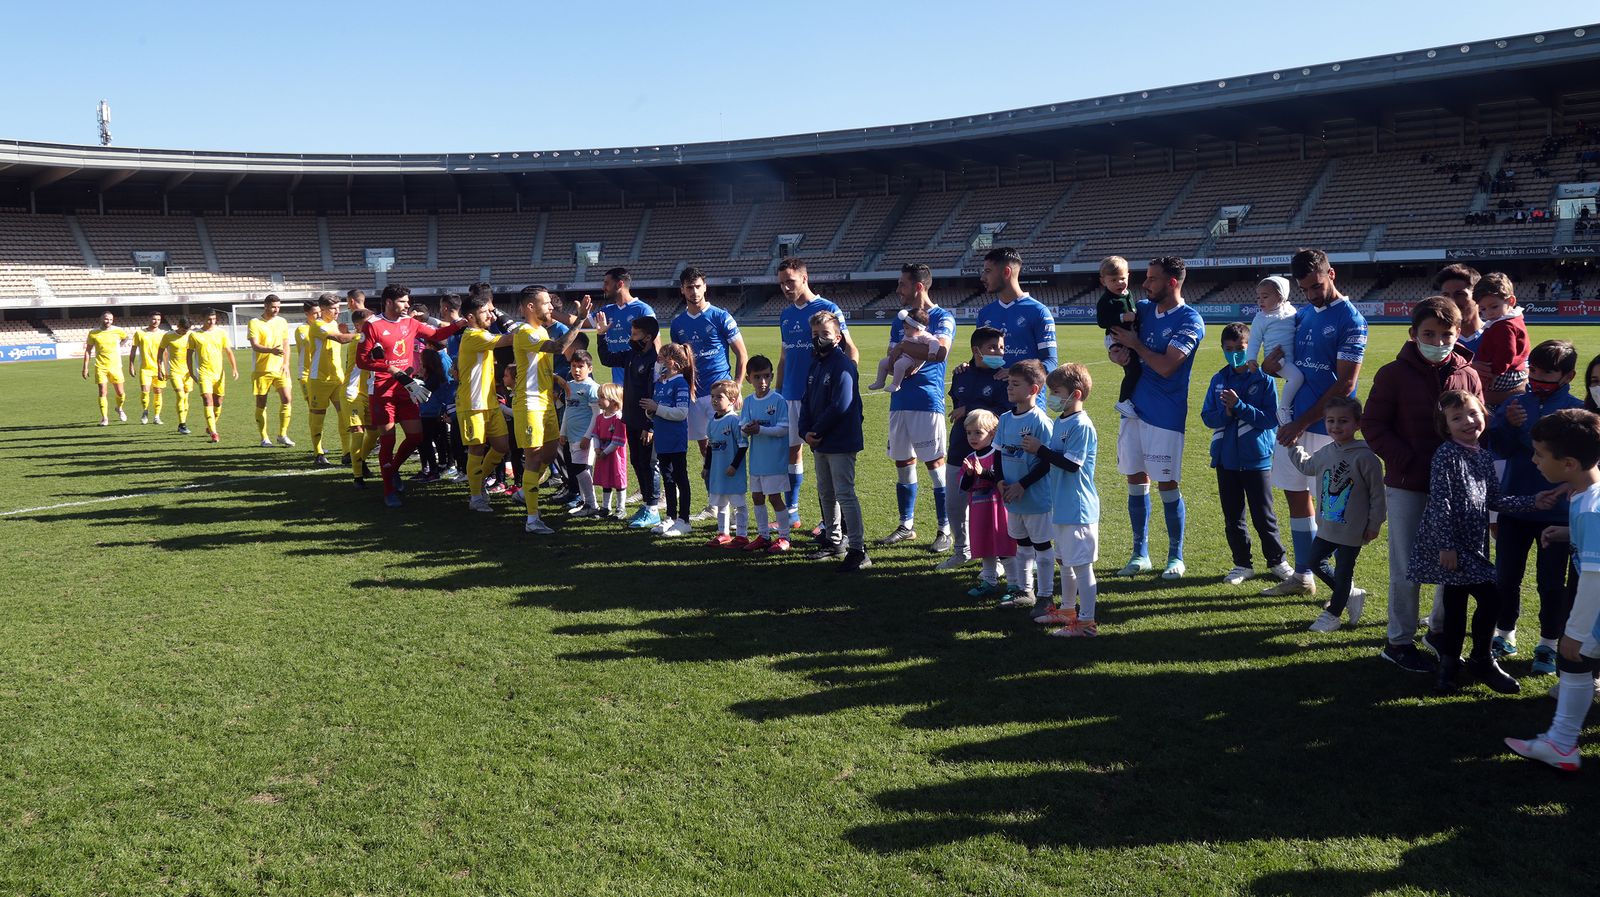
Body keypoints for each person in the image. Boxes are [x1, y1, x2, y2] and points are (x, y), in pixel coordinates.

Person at [1360, 296, 1482, 673]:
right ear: (1413, 334)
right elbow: (1374, 426)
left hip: (1457, 488)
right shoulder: (1393, 374)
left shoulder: (1468, 374)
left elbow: (1478, 423)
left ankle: (1440, 631)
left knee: (1454, 563)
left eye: (1446, 334)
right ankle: (1398, 641)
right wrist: (1407, 460)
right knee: (1407, 565)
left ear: (1457, 333)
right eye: (1429, 334)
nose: (1439, 341)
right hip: (1409, 484)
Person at [1411, 391, 1548, 694]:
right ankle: (1479, 660)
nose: (1467, 421)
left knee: (1456, 604)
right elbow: (1441, 501)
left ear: (1484, 416)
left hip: (1473, 545)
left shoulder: (1483, 455)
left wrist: (1534, 501)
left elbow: (1496, 499)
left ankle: (1449, 668)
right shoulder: (1447, 454)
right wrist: (1447, 546)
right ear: (1446, 426)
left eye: (1473, 413)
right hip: (1453, 546)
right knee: (1491, 598)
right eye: (1457, 418)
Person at [1262, 249, 1367, 597]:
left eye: (1317, 286)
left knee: (1331, 510)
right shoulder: (1304, 315)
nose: (1311, 294)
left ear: (1331, 274)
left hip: (1327, 429)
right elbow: (1291, 368)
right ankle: (1304, 575)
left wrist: (1301, 423)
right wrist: (1269, 366)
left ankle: (1343, 587)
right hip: (1295, 424)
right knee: (1295, 495)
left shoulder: (1351, 320)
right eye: (1305, 289)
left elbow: (1345, 384)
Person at [1505, 409, 1600, 771]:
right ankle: (1561, 744)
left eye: (1540, 454)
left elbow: (1595, 579)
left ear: (1570, 462)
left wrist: (1574, 633)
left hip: (1595, 610)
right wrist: (1568, 534)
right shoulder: (1585, 491)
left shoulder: (1591, 508)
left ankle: (1561, 744)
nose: (1534, 460)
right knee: (1574, 670)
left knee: (1573, 659)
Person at [1107, 256, 1205, 580]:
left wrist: (1135, 344)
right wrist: (1119, 353)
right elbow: (1118, 341)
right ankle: (1140, 553)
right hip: (1133, 408)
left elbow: (1166, 366)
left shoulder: (1190, 321)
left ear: (1172, 282)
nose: (1145, 284)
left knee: (1167, 484)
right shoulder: (1145, 311)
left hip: (1165, 414)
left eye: (1152, 279)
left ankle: (1175, 557)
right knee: (1135, 479)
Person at [1490, 340, 1584, 671]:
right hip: (1515, 507)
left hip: (1557, 516)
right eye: (1533, 369)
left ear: (1568, 375)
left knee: (1550, 583)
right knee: (1506, 578)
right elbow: (1496, 449)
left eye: (1547, 371)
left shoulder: (1576, 411)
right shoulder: (1515, 404)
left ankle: (1547, 644)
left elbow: (1582, 464)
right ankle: (1504, 634)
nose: (1538, 376)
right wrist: (1506, 425)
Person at [355, 284, 471, 507]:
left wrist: (459, 324)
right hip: (382, 390)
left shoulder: (410, 322)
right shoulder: (372, 325)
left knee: (416, 437)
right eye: (403, 302)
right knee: (388, 441)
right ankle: (389, 490)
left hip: (408, 390)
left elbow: (436, 334)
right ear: (389, 302)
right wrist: (390, 369)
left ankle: (393, 471)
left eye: (408, 301)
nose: (408, 305)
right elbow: (363, 360)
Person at [1286, 396, 1386, 632]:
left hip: (1353, 529)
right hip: (1327, 525)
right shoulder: (1327, 451)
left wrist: (1374, 523)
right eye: (1330, 421)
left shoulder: (1366, 457)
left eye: (1343, 421)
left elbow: (1378, 495)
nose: (1336, 426)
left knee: (1343, 571)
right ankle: (1349, 593)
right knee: (1315, 562)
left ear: (1357, 424)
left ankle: (1333, 614)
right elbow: (1307, 466)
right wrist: (1292, 446)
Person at [1200, 322, 1288, 587]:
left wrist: (1239, 406)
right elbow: (1207, 416)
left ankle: (1277, 561)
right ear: (1223, 349)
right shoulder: (1218, 379)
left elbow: (1271, 419)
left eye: (1240, 348)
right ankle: (1242, 564)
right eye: (1229, 349)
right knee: (1233, 517)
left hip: (1256, 460)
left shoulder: (1263, 380)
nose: (1235, 353)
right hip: (1226, 460)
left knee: (1264, 515)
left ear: (1250, 347)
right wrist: (1225, 413)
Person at [775, 257, 859, 531]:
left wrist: (846, 383)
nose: (786, 287)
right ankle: (792, 513)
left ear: (804, 278)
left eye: (791, 281)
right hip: (790, 394)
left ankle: (830, 521)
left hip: (820, 395)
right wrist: (777, 393)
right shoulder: (785, 315)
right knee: (791, 452)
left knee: (825, 455)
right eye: (782, 283)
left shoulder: (827, 309)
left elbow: (850, 349)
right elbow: (785, 357)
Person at [880, 263, 956, 553]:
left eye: (902, 284)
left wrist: (905, 350)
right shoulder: (898, 320)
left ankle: (944, 529)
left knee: (935, 465)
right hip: (899, 400)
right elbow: (890, 356)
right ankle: (906, 525)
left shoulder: (942, 317)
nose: (898, 290)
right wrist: (914, 351)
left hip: (926, 400)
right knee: (903, 463)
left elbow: (941, 352)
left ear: (918, 287)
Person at [1025, 362, 1101, 637]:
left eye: (1056, 392)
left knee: (1081, 567)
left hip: (1078, 508)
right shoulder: (1061, 421)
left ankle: (1087, 624)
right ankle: (1068, 611)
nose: (1052, 397)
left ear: (1075, 394)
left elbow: (1072, 465)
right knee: (1065, 562)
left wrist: (1040, 449)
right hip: (1062, 506)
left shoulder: (1081, 425)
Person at [510, 285, 592, 533]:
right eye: (546, 303)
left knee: (548, 454)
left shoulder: (540, 332)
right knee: (534, 458)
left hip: (545, 402)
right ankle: (532, 520)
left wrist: (555, 377)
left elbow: (536, 364)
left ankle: (527, 491)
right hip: (530, 404)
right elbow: (558, 348)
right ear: (530, 307)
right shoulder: (525, 331)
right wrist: (579, 321)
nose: (551, 308)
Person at [670, 266, 748, 523]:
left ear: (705, 287)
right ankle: (714, 503)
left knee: (728, 450)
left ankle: (737, 508)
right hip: (695, 396)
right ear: (682, 290)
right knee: (707, 450)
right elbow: (680, 363)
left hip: (721, 395)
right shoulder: (678, 324)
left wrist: (736, 388)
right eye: (689, 287)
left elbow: (741, 354)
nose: (694, 292)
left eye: (698, 286)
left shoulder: (720, 316)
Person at [799, 310, 868, 572]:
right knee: (826, 493)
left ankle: (858, 549)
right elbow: (806, 401)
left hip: (839, 440)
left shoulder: (843, 365)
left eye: (825, 334)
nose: (819, 339)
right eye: (815, 334)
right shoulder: (815, 363)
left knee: (844, 493)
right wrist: (804, 431)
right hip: (819, 440)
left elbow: (842, 405)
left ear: (838, 337)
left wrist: (815, 431)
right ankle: (833, 539)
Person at [938, 327, 1012, 571]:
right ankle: (962, 551)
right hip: (960, 450)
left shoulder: (1004, 377)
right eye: (993, 347)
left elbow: (1004, 414)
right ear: (976, 350)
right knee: (955, 505)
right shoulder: (961, 373)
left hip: (992, 456)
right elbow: (956, 410)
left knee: (992, 510)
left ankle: (999, 557)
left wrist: (969, 408)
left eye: (1001, 347)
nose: (999, 352)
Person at [994, 359, 1055, 608]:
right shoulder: (1007, 419)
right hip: (1011, 496)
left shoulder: (1040, 421)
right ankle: (1024, 590)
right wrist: (999, 480)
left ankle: (1046, 594)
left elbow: (1048, 462)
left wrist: (1022, 485)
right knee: (1022, 546)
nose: (1009, 388)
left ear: (1034, 390)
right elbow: (998, 452)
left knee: (1042, 546)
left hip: (1035, 497)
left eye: (1016, 384)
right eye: (1009, 383)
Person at [594, 312, 663, 530]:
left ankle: (653, 508)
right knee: (638, 463)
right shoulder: (631, 356)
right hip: (630, 419)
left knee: (650, 464)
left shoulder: (656, 362)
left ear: (648, 337)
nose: (631, 338)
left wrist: (650, 425)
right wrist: (601, 335)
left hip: (646, 424)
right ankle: (646, 505)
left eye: (635, 334)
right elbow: (606, 358)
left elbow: (656, 395)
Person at [455, 294, 515, 512]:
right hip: (472, 404)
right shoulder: (472, 336)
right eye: (485, 312)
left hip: (489, 402)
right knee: (476, 449)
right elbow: (509, 339)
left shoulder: (482, 333)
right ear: (471, 317)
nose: (490, 315)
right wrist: (505, 318)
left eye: (490, 311)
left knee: (501, 446)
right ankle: (475, 496)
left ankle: (479, 482)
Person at [976, 247, 1057, 386]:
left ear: (1006, 272)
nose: (982, 277)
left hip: (1029, 402)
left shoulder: (1038, 311)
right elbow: (979, 359)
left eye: (988, 271)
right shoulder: (985, 313)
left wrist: (1017, 373)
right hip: (992, 399)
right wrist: (968, 366)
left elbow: (1050, 362)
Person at [957, 409, 1016, 600]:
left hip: (998, 510)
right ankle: (989, 581)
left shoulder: (998, 454)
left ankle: (1014, 584)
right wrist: (968, 475)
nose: (972, 437)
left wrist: (982, 472)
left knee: (1005, 548)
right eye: (969, 433)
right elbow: (965, 487)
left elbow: (1001, 478)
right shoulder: (970, 458)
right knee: (985, 547)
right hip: (979, 511)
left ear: (992, 434)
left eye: (978, 432)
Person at [739, 355, 793, 552]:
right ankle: (763, 535)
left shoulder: (778, 400)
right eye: (757, 377)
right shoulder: (749, 401)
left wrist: (759, 430)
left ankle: (785, 537)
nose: (762, 382)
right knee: (757, 497)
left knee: (775, 498)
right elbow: (742, 425)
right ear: (748, 379)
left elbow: (784, 428)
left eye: (766, 376)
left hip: (775, 461)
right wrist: (747, 428)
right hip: (756, 461)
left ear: (771, 377)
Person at [643, 342, 695, 537]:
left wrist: (656, 408)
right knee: (667, 478)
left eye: (661, 358)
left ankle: (684, 520)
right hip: (662, 439)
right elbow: (658, 411)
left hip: (675, 440)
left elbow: (681, 413)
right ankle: (671, 517)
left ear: (671, 362)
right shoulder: (659, 384)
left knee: (680, 477)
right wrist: (650, 413)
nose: (658, 362)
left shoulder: (680, 383)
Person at [304, 294, 356, 466]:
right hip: (319, 379)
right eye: (333, 308)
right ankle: (318, 452)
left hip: (337, 378)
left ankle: (346, 452)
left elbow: (342, 337)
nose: (337, 311)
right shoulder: (318, 325)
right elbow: (340, 340)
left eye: (338, 307)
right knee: (318, 417)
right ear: (323, 309)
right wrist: (361, 334)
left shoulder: (334, 324)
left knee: (343, 415)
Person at [1248, 276, 1303, 426]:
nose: (1260, 301)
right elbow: (1254, 340)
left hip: (1292, 358)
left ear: (1281, 297)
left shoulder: (1291, 311)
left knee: (1296, 378)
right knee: (1296, 378)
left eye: (1265, 297)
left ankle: (1288, 407)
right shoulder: (1260, 318)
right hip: (1276, 360)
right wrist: (1251, 358)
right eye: (1258, 297)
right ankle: (1283, 408)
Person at [703, 380, 750, 547]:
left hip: (733, 472)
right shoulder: (712, 422)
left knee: (739, 504)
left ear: (732, 399)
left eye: (719, 397)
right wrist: (707, 467)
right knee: (721, 504)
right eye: (712, 396)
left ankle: (742, 535)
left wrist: (734, 465)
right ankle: (723, 533)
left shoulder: (734, 421)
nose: (714, 400)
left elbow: (743, 445)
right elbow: (709, 447)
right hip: (718, 472)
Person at [1472, 272, 1530, 408]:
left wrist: (1495, 374)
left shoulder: (1504, 325)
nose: (1488, 313)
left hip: (1503, 373)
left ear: (1510, 301)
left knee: (1476, 396)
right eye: (1483, 309)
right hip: (1513, 371)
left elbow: (1506, 353)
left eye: (1494, 307)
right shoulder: (1512, 320)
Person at [1094, 255, 1140, 419]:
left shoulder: (1128, 294)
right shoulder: (1106, 300)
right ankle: (1123, 400)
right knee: (1133, 368)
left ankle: (1131, 398)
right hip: (1115, 338)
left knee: (1136, 366)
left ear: (1128, 275)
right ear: (1103, 281)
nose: (1119, 283)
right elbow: (1102, 322)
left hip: (1127, 337)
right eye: (1113, 280)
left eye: (1122, 278)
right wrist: (1122, 318)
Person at [247, 294, 295, 448]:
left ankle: (282, 434)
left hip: (280, 368)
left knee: (287, 399)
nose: (276, 310)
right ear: (265, 306)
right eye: (274, 307)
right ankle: (264, 438)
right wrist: (270, 350)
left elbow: (286, 343)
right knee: (261, 403)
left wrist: (286, 363)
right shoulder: (254, 322)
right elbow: (254, 345)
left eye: (279, 307)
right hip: (262, 370)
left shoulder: (282, 321)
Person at [561, 350, 602, 516]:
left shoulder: (592, 388)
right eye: (573, 366)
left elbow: (596, 415)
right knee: (577, 470)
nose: (576, 370)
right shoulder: (569, 386)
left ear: (590, 369)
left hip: (584, 437)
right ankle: (586, 503)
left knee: (581, 470)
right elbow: (567, 411)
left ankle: (591, 504)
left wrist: (588, 436)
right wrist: (562, 432)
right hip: (571, 436)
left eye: (581, 367)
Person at [598, 268, 656, 385]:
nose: (603, 287)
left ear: (619, 284)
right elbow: (606, 359)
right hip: (619, 386)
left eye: (607, 283)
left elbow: (656, 345)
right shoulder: (607, 310)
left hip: (641, 383)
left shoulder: (643, 310)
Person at [189, 309, 237, 443]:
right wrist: (191, 371)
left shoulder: (221, 333)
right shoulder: (194, 335)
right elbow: (189, 355)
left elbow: (228, 351)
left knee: (218, 402)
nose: (212, 322)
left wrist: (234, 368)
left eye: (214, 319)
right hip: (204, 373)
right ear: (203, 319)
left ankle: (210, 426)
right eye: (209, 319)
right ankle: (214, 433)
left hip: (219, 373)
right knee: (207, 399)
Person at [344, 308, 378, 487]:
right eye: (368, 322)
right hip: (352, 392)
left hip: (368, 391)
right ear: (358, 326)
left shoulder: (369, 338)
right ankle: (358, 476)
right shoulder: (358, 341)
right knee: (358, 432)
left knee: (375, 433)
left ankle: (361, 460)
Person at [587, 383, 630, 518]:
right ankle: (605, 507)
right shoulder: (600, 418)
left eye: (601, 397)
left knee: (618, 480)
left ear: (612, 400)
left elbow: (618, 441)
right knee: (606, 480)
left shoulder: (619, 418)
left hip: (615, 455)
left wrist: (605, 452)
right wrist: (597, 448)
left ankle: (620, 508)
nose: (598, 400)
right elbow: (595, 435)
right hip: (602, 454)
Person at [82, 311, 129, 426]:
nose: (108, 321)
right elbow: (88, 350)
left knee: (121, 393)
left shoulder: (118, 331)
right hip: (100, 366)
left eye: (111, 319)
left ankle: (119, 408)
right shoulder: (94, 333)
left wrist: (120, 345)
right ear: (101, 318)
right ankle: (104, 418)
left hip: (116, 366)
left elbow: (126, 338)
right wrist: (85, 367)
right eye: (106, 319)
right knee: (103, 392)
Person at [157, 318, 195, 434]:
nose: (185, 332)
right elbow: (159, 353)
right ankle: (182, 424)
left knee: (186, 398)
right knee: (180, 395)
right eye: (183, 329)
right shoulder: (168, 336)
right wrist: (160, 369)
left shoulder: (192, 336)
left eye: (187, 330)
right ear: (178, 325)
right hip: (174, 371)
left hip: (188, 372)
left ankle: (182, 423)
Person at [1435, 264, 1484, 354]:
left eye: (1460, 294)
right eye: (1446, 295)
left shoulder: (1498, 333)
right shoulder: (1436, 341)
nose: (1452, 301)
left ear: (1478, 296)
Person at [128, 312, 166, 425]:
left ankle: (157, 416)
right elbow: (133, 350)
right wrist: (131, 365)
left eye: (158, 320)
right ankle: (145, 411)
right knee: (145, 391)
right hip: (145, 368)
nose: (156, 322)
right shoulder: (140, 333)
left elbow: (165, 352)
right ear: (149, 319)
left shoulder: (163, 334)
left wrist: (166, 369)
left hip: (159, 368)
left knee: (158, 391)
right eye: (154, 319)